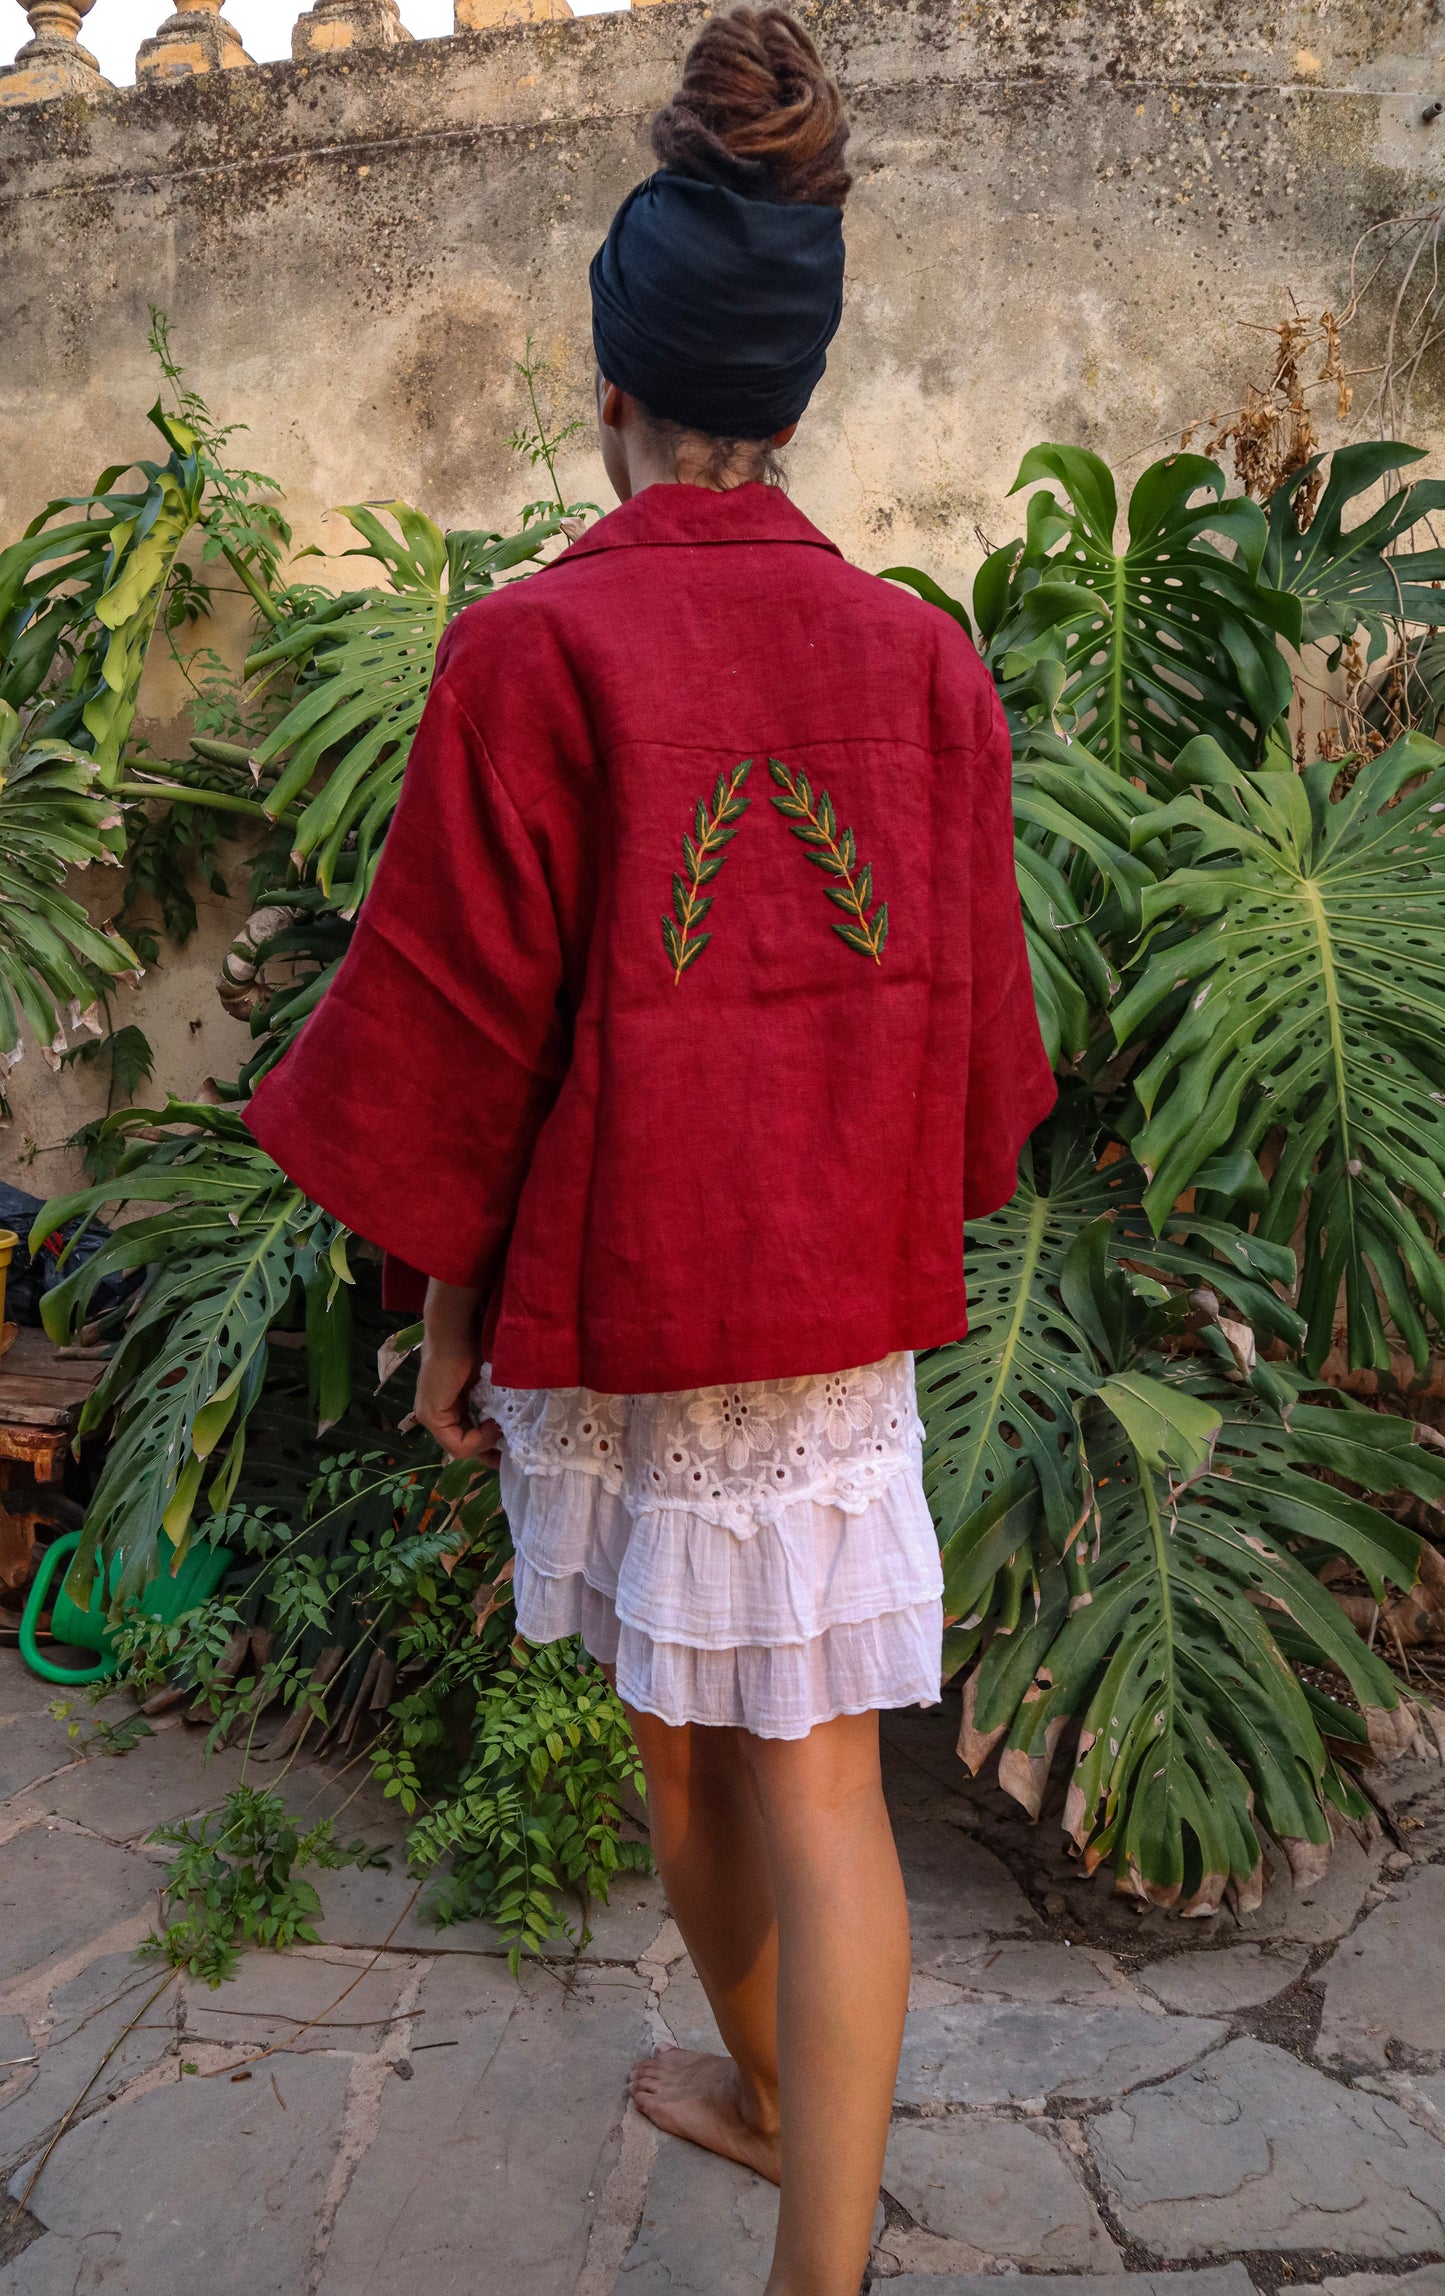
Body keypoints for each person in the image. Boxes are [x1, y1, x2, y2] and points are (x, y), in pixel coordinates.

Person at [246, 10, 1054, 2290]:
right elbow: (973, 1031)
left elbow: (464, 1037)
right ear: (794, 404)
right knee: (818, 1775)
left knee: (682, 1751)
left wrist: (441, 1313)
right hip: (830, 1316)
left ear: (615, 394)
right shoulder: (925, 667)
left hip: (620, 1301)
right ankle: (813, 2214)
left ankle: (775, 2105)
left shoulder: (533, 651)